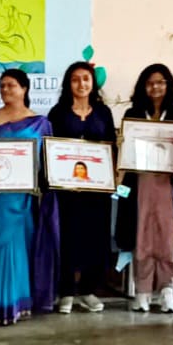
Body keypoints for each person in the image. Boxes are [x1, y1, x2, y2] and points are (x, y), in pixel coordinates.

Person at [116, 64, 173, 313]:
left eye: (161, 82)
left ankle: (167, 292)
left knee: (168, 239)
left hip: (171, 187)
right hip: (139, 183)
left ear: (169, 84)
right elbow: (125, 153)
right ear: (143, 87)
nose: (155, 87)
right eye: (150, 82)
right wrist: (121, 142)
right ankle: (142, 292)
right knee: (141, 237)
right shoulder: (133, 113)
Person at [0, 68, 58, 325]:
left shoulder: (41, 123)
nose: (5, 90)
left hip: (24, 199)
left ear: (24, 89)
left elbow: (48, 161)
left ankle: (19, 304)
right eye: (2, 85)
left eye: (11, 85)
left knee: (21, 249)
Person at [48, 61, 116, 314]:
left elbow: (111, 146)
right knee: (67, 238)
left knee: (95, 239)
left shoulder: (103, 112)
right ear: (68, 84)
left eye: (86, 79)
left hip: (96, 191)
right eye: (75, 79)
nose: (81, 84)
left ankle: (88, 290)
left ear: (93, 83)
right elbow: (50, 148)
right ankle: (65, 291)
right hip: (67, 191)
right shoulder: (58, 113)